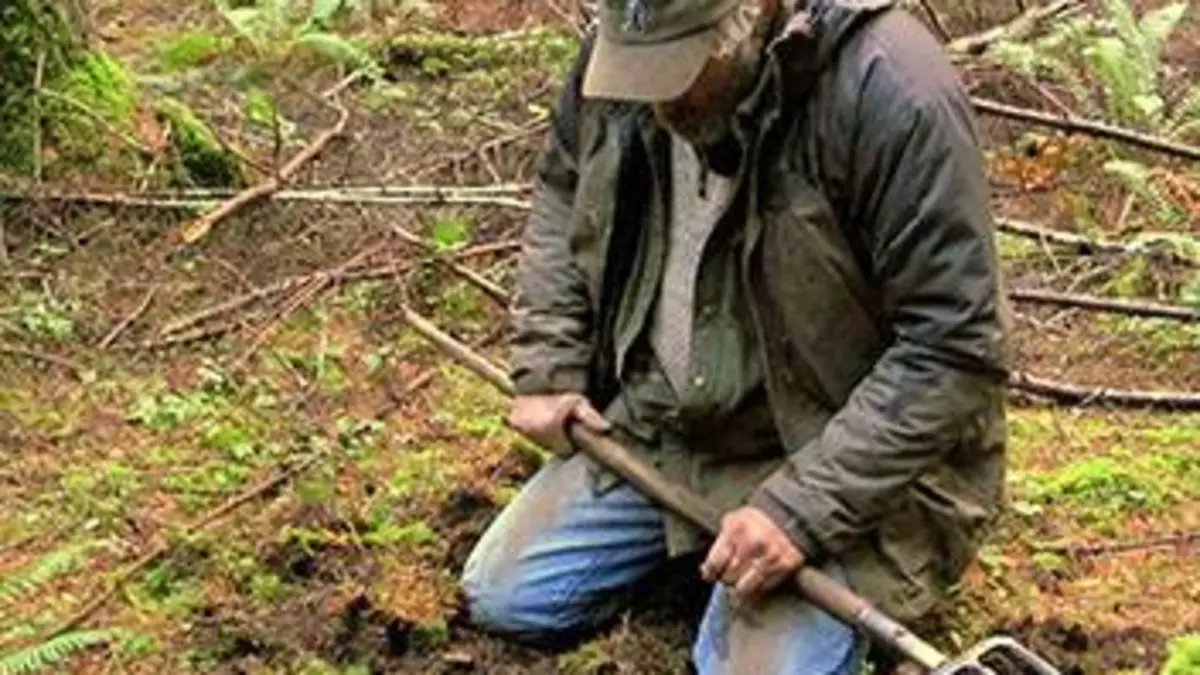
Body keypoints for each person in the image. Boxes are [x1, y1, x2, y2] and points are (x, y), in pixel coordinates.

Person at [459, 0, 1012, 672]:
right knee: (505, 596)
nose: (658, 99)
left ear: (749, 18)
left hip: (833, 456)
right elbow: (562, 185)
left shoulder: (890, 88)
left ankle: (786, 584)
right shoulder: (624, 62)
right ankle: (700, 556)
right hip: (664, 427)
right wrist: (549, 361)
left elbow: (953, 347)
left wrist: (802, 511)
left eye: (680, 68)